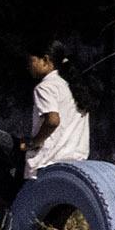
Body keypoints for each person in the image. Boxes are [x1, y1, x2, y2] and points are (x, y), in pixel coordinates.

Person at [24, 39, 91, 169]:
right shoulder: (74, 86)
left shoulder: (46, 86)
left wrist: (33, 142)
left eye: (31, 61)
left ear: (45, 60)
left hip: (49, 159)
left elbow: (52, 121)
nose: (28, 66)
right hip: (77, 160)